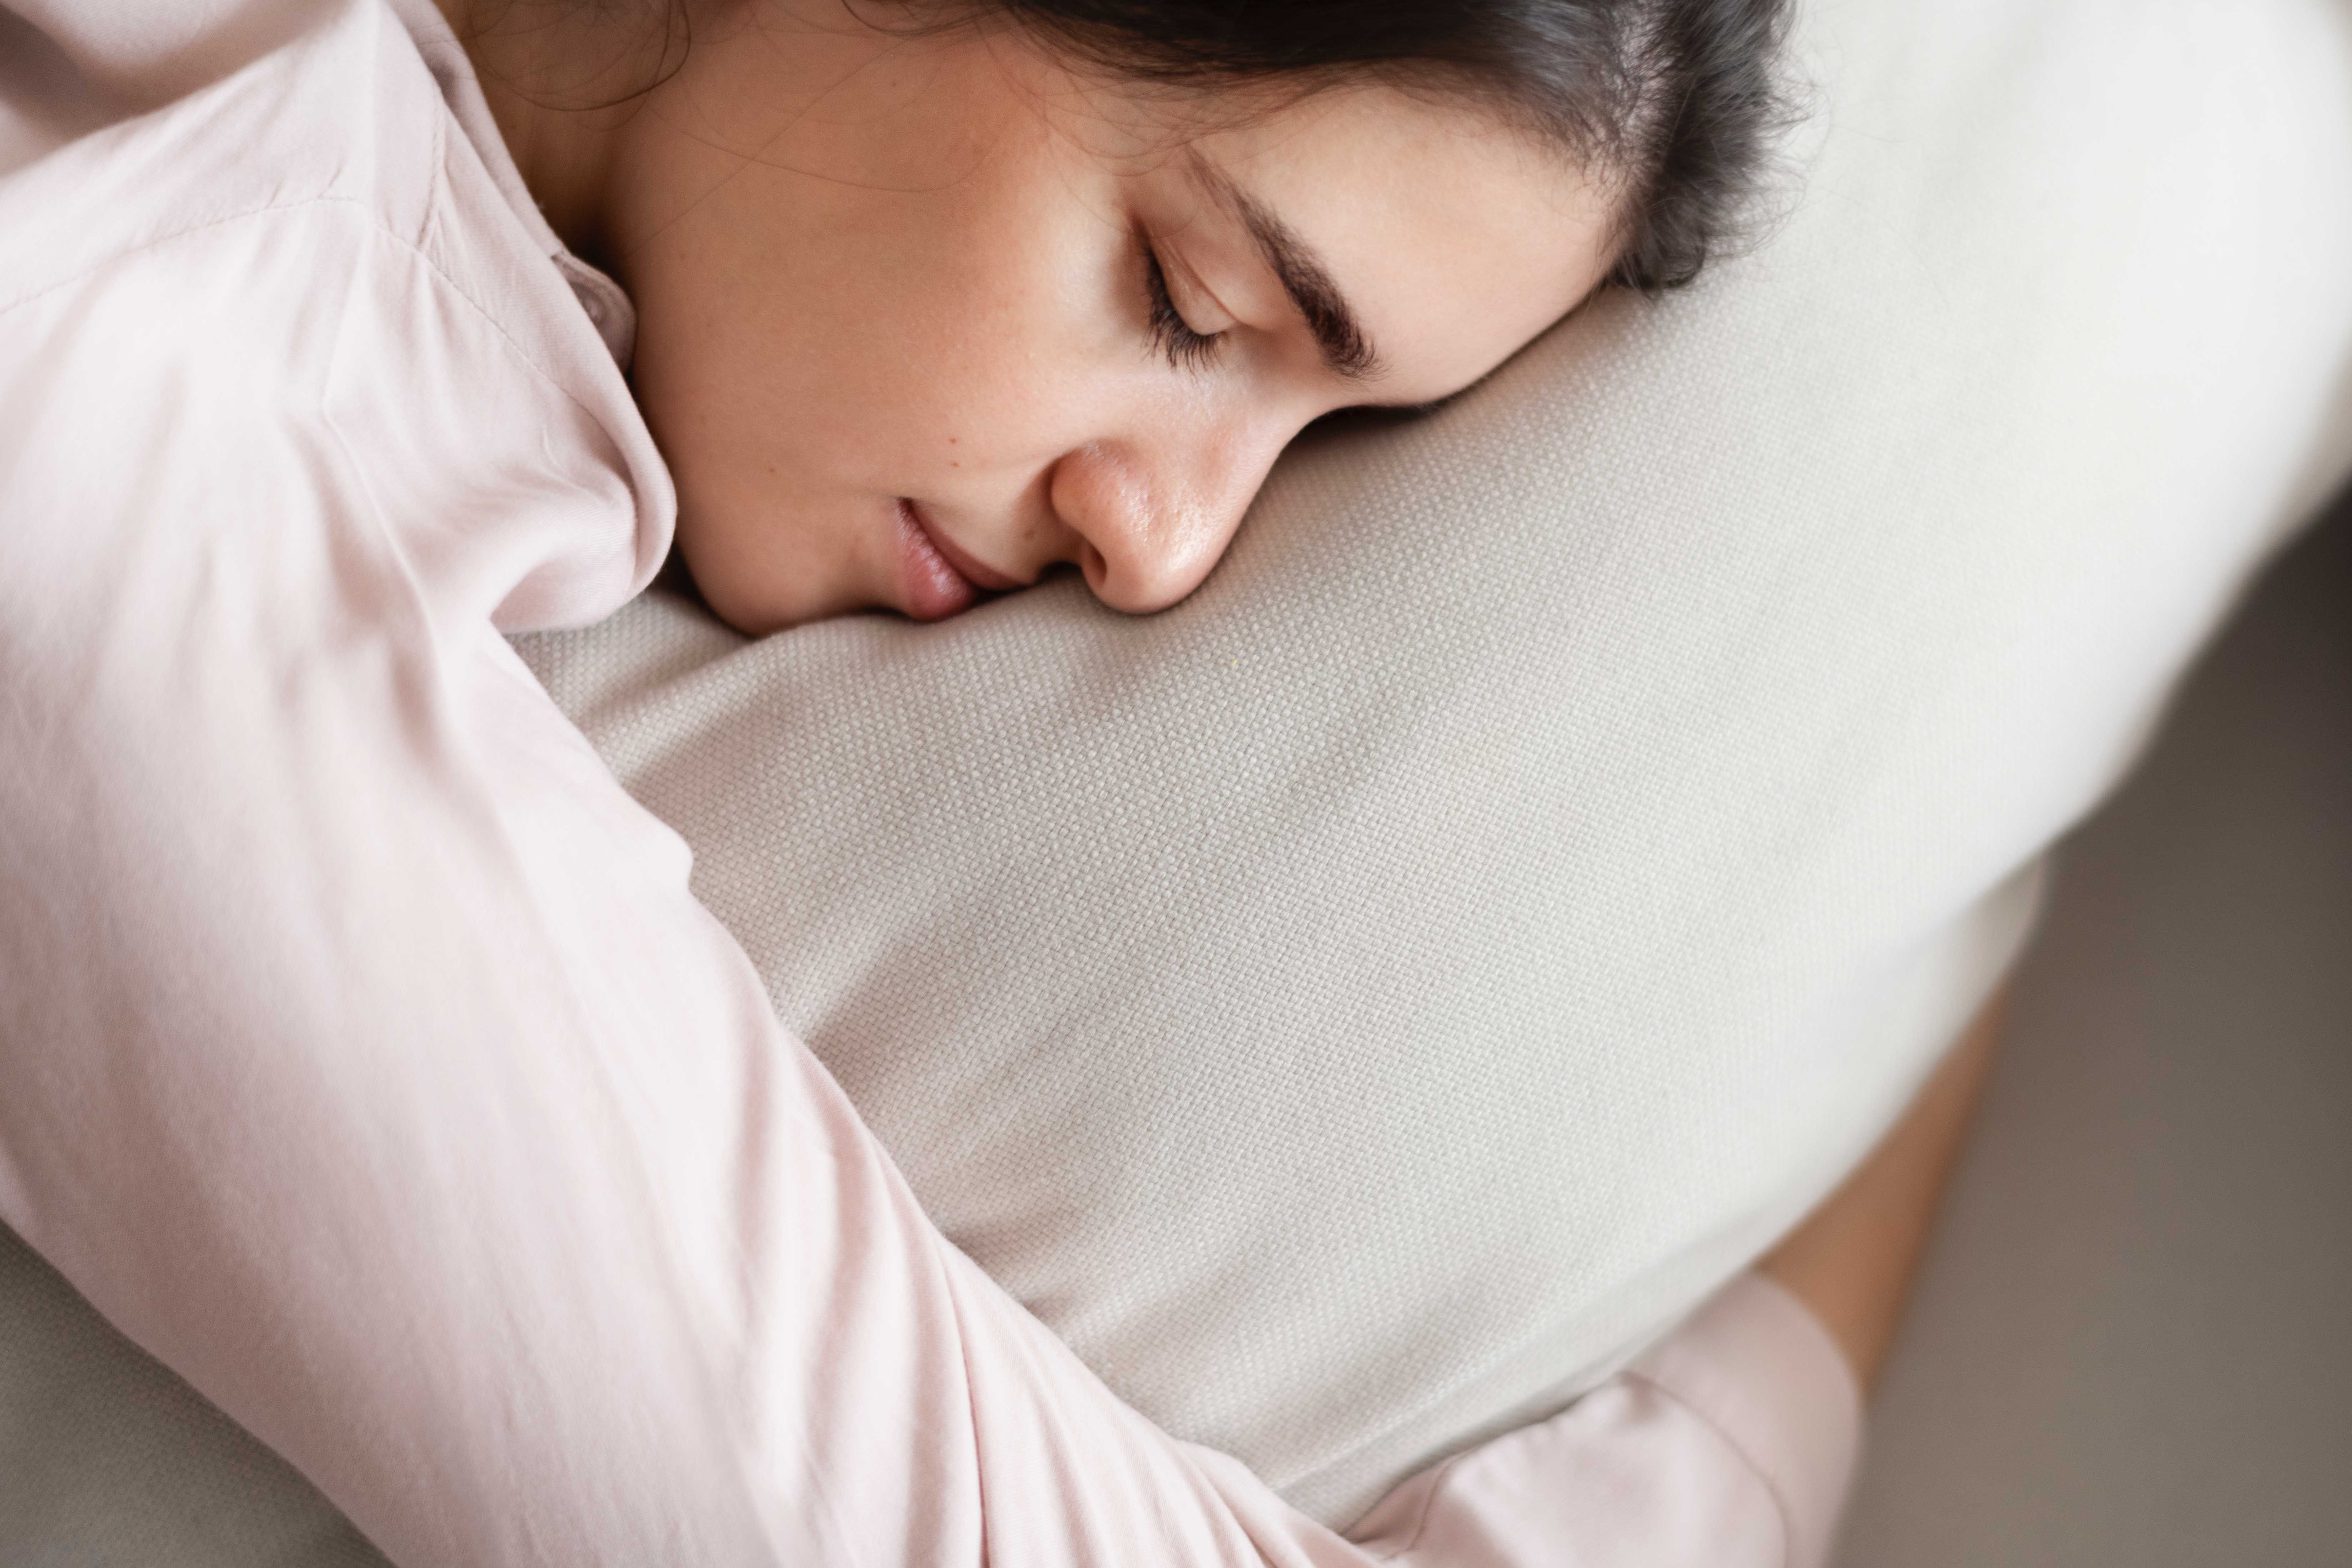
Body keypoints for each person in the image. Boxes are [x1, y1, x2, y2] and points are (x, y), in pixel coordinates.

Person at [0, 0, 1993, 1562]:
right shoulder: (138, 474)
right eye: (1190, 307)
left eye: (1323, 441)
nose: (1167, 544)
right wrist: (1956, 987)